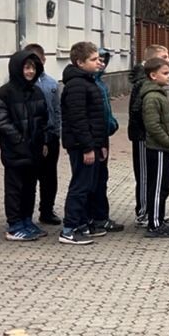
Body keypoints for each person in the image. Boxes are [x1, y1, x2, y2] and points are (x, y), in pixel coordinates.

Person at [0, 49, 50, 241]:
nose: (30, 72)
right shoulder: (4, 93)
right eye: (26, 67)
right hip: (14, 149)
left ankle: (26, 219)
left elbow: (43, 119)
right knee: (15, 187)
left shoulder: (37, 92)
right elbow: (0, 121)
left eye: (33, 68)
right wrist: (18, 139)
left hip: (34, 149)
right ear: (18, 69)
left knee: (30, 186)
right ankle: (14, 224)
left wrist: (43, 141)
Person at [58, 42, 108, 245]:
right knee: (80, 185)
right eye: (94, 59)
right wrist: (88, 147)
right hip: (81, 146)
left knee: (89, 185)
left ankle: (81, 223)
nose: (99, 62)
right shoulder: (77, 85)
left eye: (98, 58)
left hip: (92, 144)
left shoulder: (88, 81)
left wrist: (101, 144)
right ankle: (69, 228)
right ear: (80, 62)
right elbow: (78, 120)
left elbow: (97, 117)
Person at [140, 57, 169, 238]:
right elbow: (153, 125)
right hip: (157, 148)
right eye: (165, 73)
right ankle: (154, 224)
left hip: (163, 149)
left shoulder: (159, 95)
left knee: (163, 186)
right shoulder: (151, 97)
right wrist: (167, 141)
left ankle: (159, 218)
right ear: (153, 75)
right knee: (157, 187)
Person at [129, 44, 169, 227]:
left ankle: (153, 209)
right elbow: (138, 111)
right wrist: (147, 132)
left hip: (147, 135)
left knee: (152, 175)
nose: (168, 60)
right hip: (143, 137)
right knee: (145, 174)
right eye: (164, 56)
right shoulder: (142, 83)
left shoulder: (153, 82)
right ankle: (145, 211)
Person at [24, 44, 63, 225]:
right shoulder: (21, 84)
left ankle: (47, 210)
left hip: (51, 136)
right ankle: (25, 215)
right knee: (30, 177)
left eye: (38, 61)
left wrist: (56, 133)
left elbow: (56, 110)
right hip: (31, 137)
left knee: (49, 177)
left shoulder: (52, 84)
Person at [88, 48, 124, 234]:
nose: (101, 63)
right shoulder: (88, 84)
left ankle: (101, 216)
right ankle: (92, 218)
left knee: (102, 178)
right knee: (91, 180)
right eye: (97, 59)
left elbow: (105, 110)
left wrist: (111, 124)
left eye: (103, 60)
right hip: (93, 139)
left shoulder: (101, 83)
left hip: (102, 136)